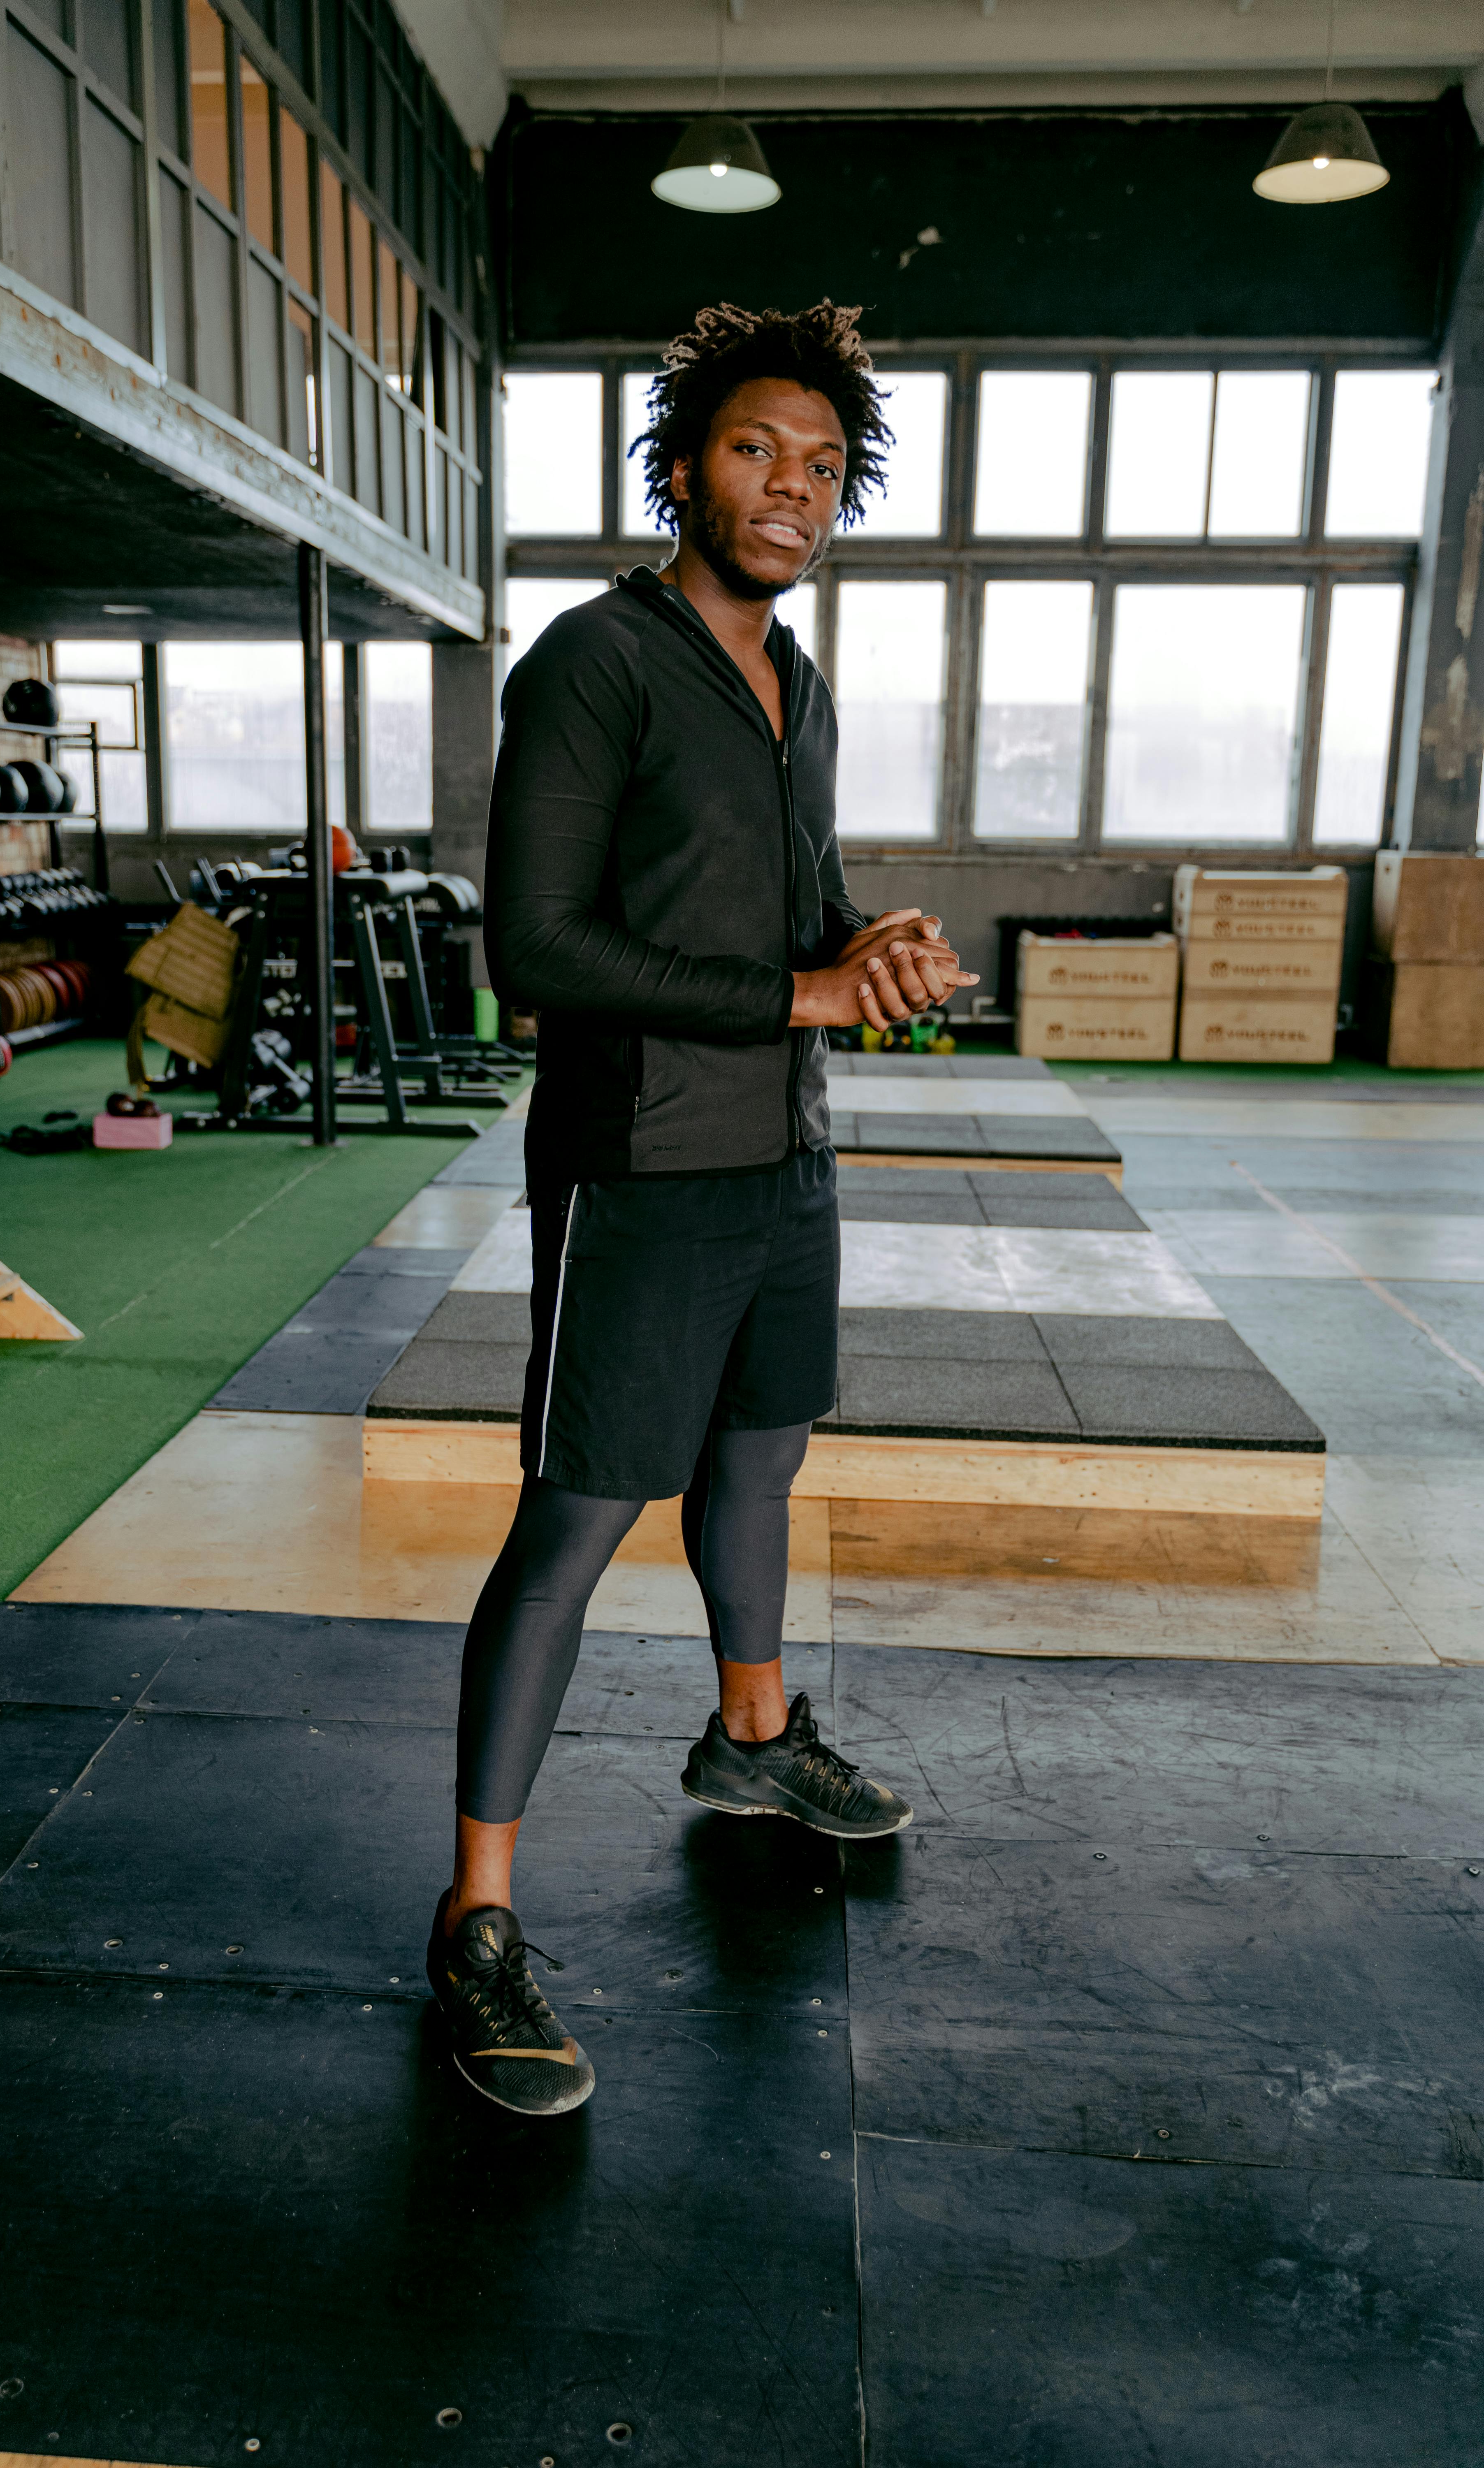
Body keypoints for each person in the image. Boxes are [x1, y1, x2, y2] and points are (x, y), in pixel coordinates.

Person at [426, 300, 980, 2117]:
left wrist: (862, 941)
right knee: (580, 1516)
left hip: (786, 1153)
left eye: (824, 468)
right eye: (759, 452)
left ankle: (752, 1738)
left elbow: (799, 894)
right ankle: (479, 1919)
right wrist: (798, 996)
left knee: (760, 1457)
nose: (792, 490)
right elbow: (539, 948)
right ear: (683, 468)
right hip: (642, 1157)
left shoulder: (795, 683)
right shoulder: (591, 660)